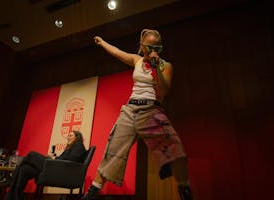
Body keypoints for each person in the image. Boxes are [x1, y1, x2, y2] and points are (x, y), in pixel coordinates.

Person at [82, 29, 193, 200]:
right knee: (113, 151)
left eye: (158, 47)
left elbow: (163, 91)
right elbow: (118, 53)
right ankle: (91, 193)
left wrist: (156, 68)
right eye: (150, 47)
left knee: (175, 149)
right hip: (130, 109)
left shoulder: (166, 65)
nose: (153, 50)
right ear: (142, 46)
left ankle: (185, 192)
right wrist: (102, 42)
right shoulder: (137, 60)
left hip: (151, 109)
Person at [5, 130, 87, 200]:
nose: (67, 137)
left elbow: (72, 160)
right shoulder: (70, 148)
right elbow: (65, 159)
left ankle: (13, 174)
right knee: (25, 168)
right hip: (56, 168)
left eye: (70, 135)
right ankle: (15, 196)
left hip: (58, 171)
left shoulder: (78, 145)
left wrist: (54, 159)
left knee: (32, 154)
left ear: (77, 137)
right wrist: (54, 157)